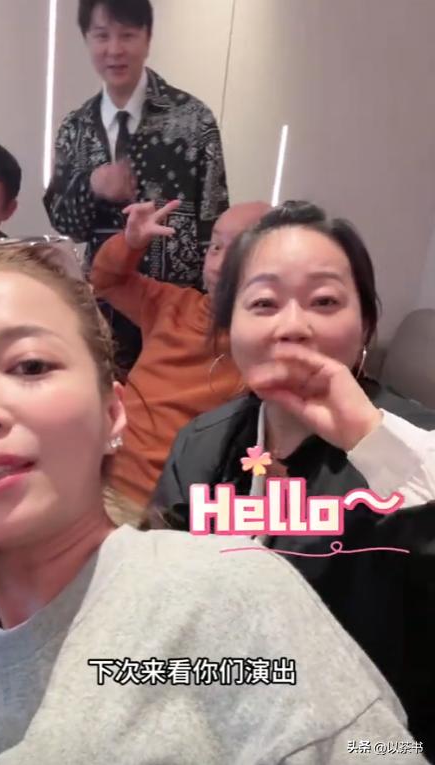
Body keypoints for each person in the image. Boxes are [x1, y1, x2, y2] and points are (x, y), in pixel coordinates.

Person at [0, 239, 427, 764]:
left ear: (113, 413)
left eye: (29, 366)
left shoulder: (223, 593)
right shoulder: (208, 441)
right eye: (264, 302)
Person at [152, 200, 435, 759]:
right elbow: (171, 607)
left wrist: (373, 443)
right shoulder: (202, 445)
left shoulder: (418, 450)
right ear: (229, 325)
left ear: (365, 323)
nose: (293, 327)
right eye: (263, 303)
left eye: (324, 301)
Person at [43, 0, 229, 374]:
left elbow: (214, 217)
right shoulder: (75, 128)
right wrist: (92, 184)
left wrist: (211, 311)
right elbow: (65, 222)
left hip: (175, 311)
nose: (114, 49)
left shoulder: (194, 119)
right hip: (102, 308)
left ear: (147, 38)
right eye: (101, 36)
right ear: (87, 40)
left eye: (127, 35)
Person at [90, 198, 270, 510]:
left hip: (163, 507)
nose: (219, 264)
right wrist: (131, 243)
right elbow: (106, 280)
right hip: (97, 476)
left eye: (243, 251)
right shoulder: (173, 305)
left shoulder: (268, 342)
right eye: (215, 247)